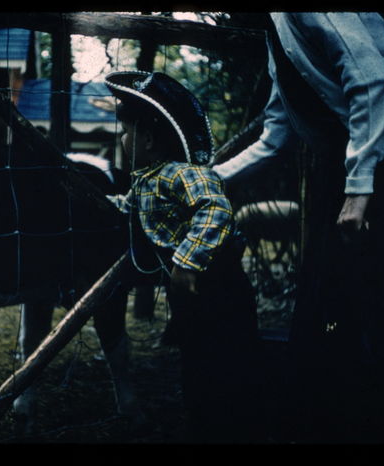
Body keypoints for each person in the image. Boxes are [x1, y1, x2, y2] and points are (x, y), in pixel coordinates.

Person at [213, 13, 384, 443]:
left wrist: (358, 189)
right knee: (336, 308)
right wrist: (209, 176)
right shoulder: (274, 30)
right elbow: (274, 137)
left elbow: (371, 81)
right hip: (370, 162)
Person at [104, 71, 265, 443]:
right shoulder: (146, 180)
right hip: (189, 295)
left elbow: (215, 209)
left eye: (125, 132)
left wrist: (188, 260)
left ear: (146, 139)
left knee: (232, 361)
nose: (121, 140)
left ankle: (242, 425)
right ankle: (204, 424)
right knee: (196, 363)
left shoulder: (184, 174)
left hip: (219, 287)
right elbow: (126, 209)